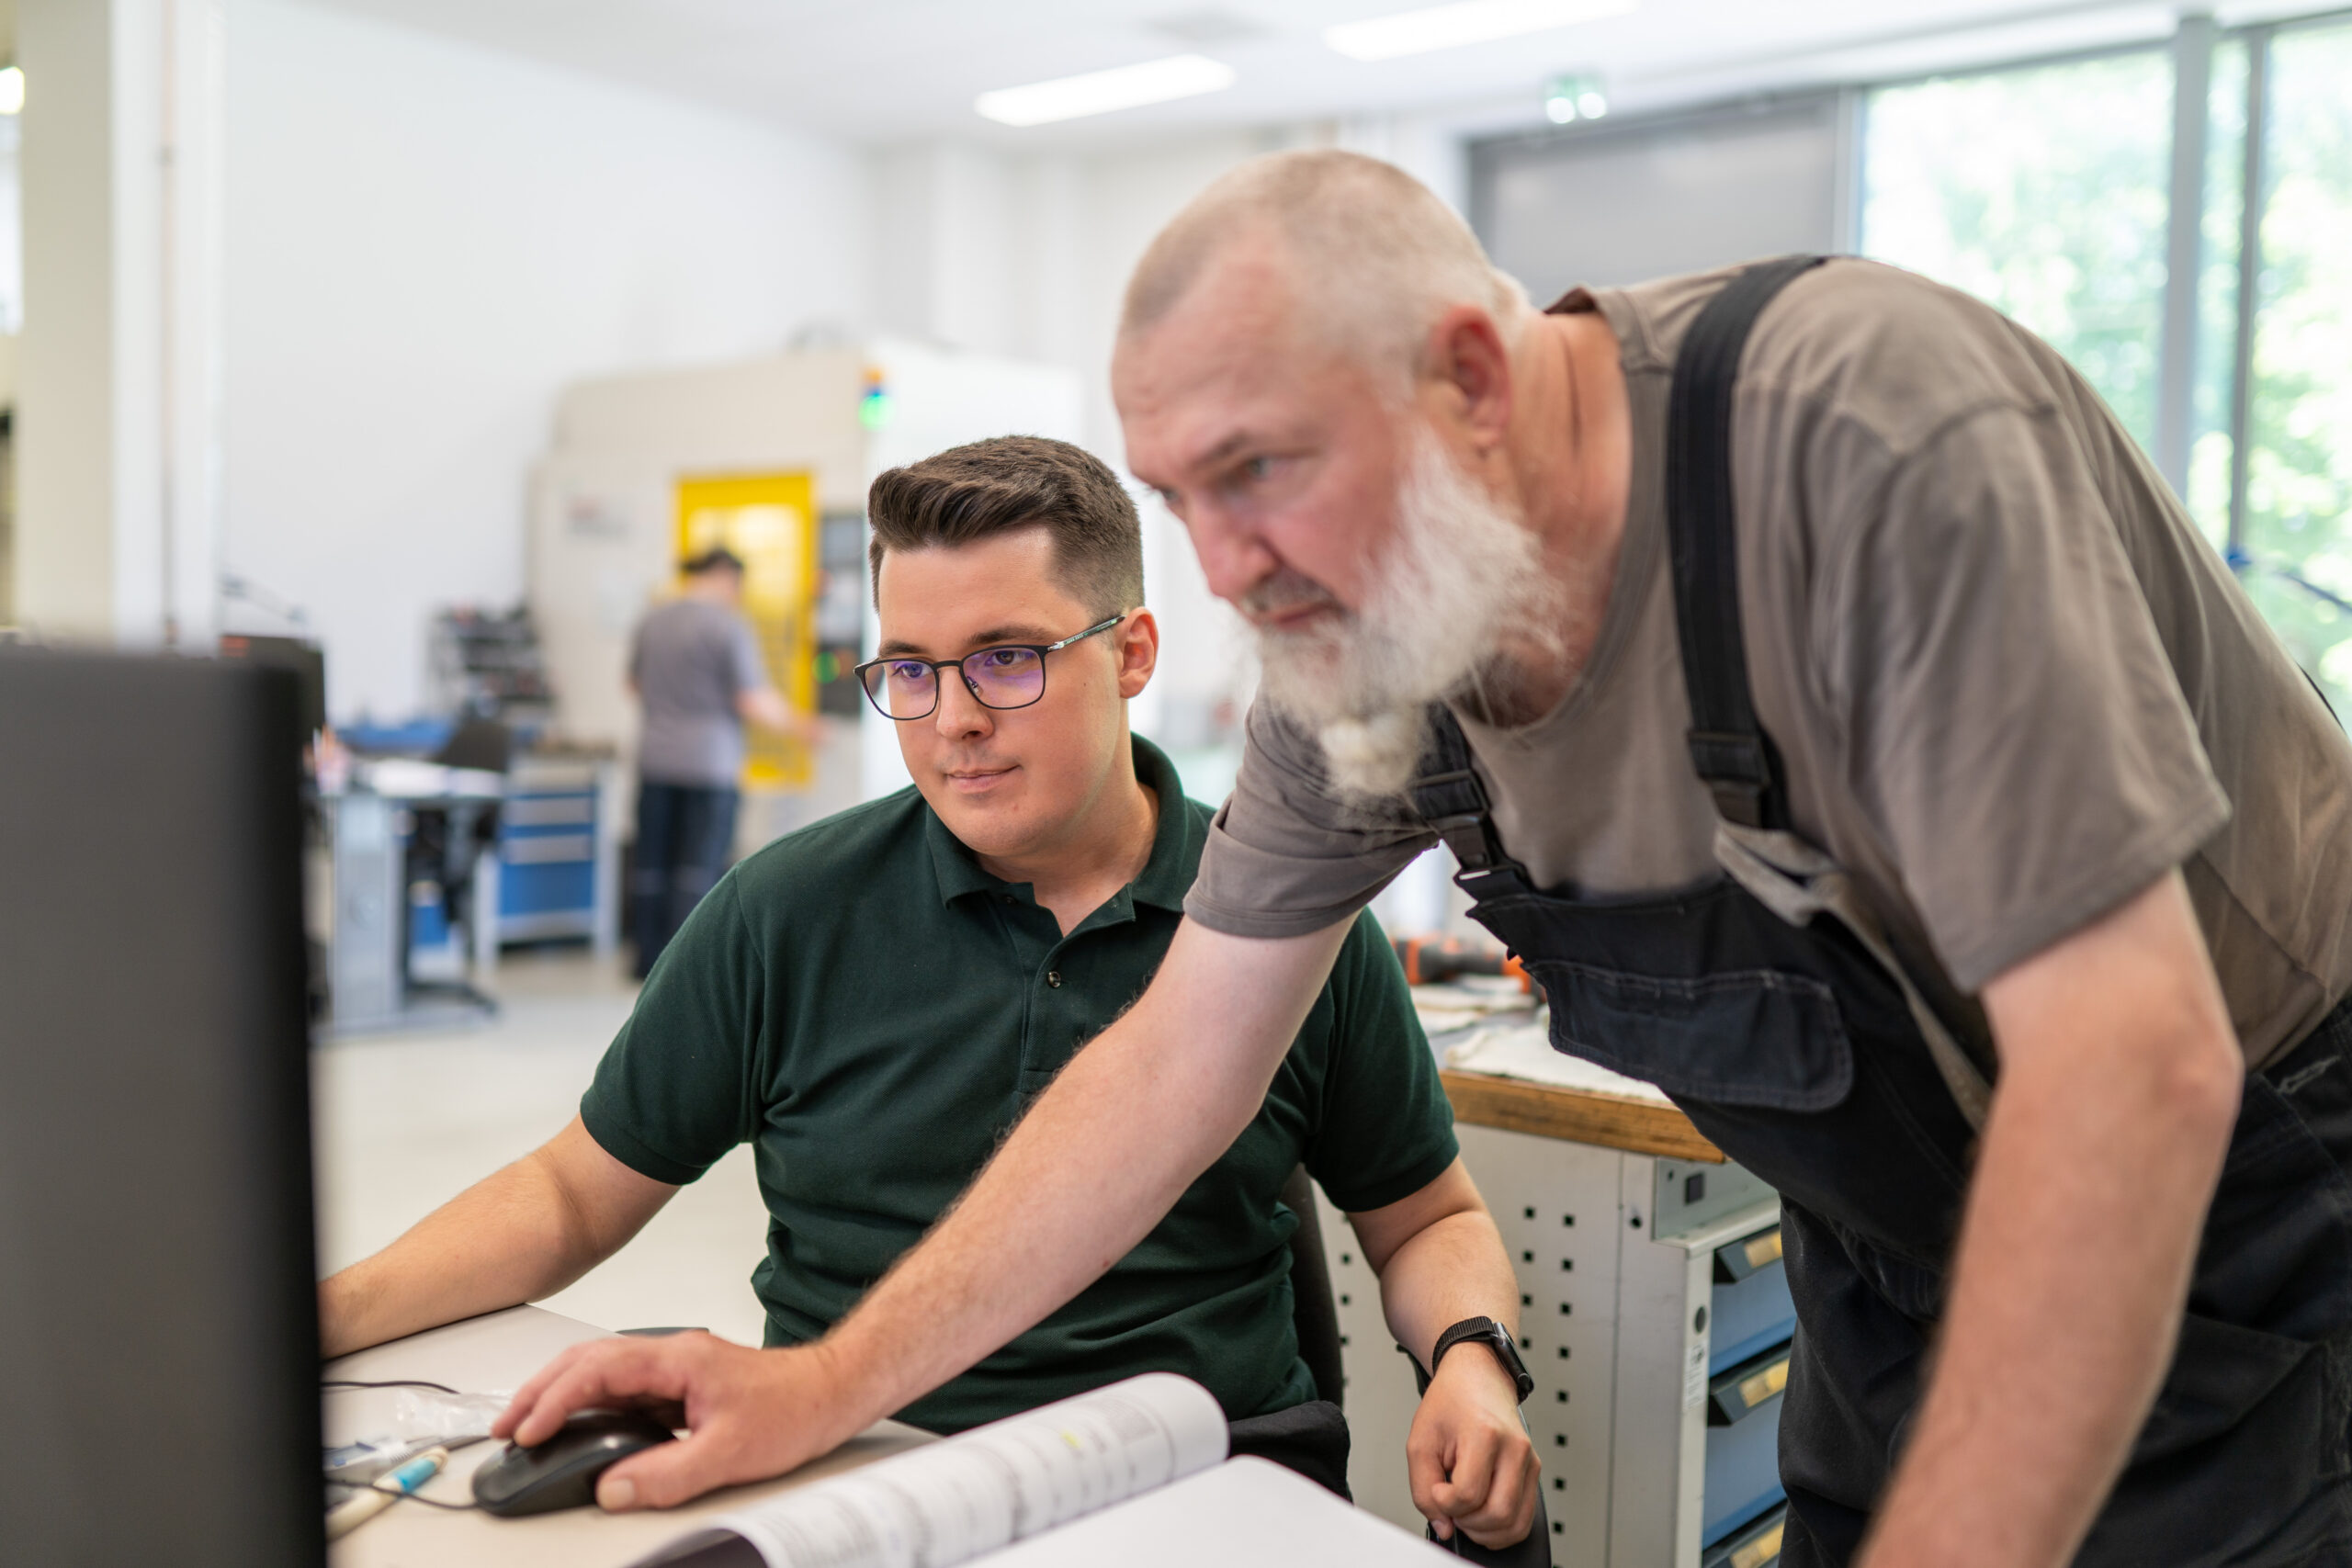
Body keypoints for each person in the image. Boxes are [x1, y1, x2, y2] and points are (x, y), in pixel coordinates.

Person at [494, 152, 2352, 1567]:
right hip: (1889, 1237)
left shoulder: (1861, 443)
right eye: (1176, 501)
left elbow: (2131, 1069)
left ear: (1470, 372)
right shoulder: (1363, 635)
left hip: (2245, 1205)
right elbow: (1168, 1066)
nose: (1222, 571)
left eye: (1258, 472)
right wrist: (816, 1387)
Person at [326, 434, 1543, 1552]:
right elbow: (570, 1190)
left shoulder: (1284, 924)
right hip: (857, 1475)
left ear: (1132, 653)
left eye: (1007, 659)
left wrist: (1470, 1356)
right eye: (909, 669)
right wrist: (319, 1316)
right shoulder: (788, 912)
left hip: (1201, 1483)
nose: (953, 720)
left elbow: (1427, 1215)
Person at [626, 547, 796, 977]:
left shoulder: (653, 619)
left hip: (656, 761)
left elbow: (633, 685)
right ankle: (683, 969)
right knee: (697, 869)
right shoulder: (727, 624)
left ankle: (644, 961)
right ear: (725, 576)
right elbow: (750, 699)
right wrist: (806, 727)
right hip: (710, 765)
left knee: (651, 865)